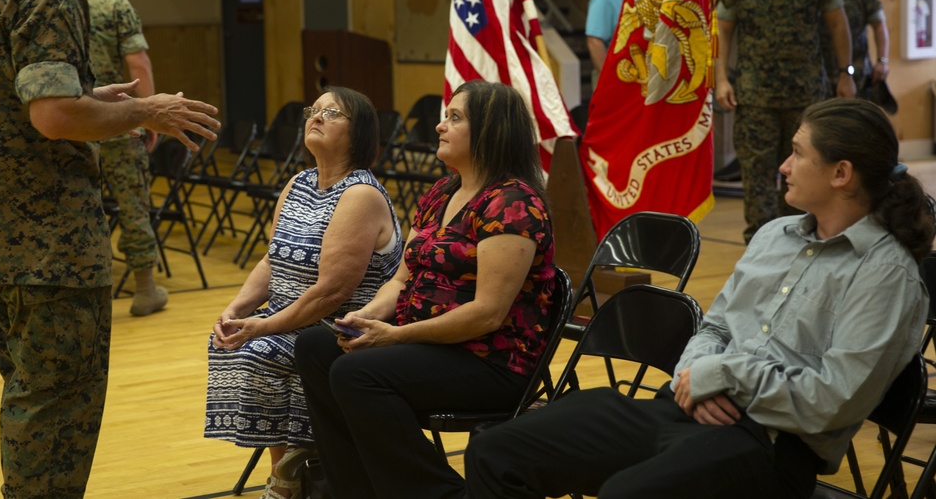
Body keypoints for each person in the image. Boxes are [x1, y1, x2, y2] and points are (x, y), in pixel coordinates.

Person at [464, 96, 934, 499]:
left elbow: (832, 399)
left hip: (770, 447)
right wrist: (696, 375)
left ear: (841, 173)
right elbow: (716, 327)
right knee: (496, 452)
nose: (783, 165)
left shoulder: (886, 276)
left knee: (626, 494)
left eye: (796, 153)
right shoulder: (776, 235)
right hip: (685, 406)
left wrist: (721, 374)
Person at [0, 0, 220, 498]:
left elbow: (19, 99)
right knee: (54, 432)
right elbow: (53, 115)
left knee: (28, 404)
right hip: (50, 254)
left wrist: (101, 99)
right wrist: (145, 110)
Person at [294, 80, 557, 499]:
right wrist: (369, 318)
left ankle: (440, 493)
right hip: (427, 345)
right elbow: (401, 279)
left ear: (491, 130)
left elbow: (487, 313)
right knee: (314, 347)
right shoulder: (442, 192)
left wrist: (394, 337)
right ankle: (354, 490)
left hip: (489, 360)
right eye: (444, 116)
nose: (439, 126)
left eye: (455, 118)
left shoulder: (514, 203)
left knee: (356, 373)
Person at [206, 87, 402, 499]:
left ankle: (290, 476)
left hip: (340, 325)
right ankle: (292, 467)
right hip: (290, 314)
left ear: (359, 133)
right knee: (229, 339)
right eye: (314, 110)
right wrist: (237, 308)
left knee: (260, 350)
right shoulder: (299, 182)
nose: (317, 116)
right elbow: (271, 258)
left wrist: (260, 326)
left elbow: (331, 294)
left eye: (332, 114)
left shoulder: (360, 194)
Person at [714, 0, 855, 244]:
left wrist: (845, 72)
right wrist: (720, 79)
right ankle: (760, 245)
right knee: (757, 174)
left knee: (805, 171)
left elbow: (838, 24)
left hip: (804, 94)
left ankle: (799, 241)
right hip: (755, 95)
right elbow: (722, 30)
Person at [69, 0, 165, 316]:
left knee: (73, 206)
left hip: (70, 124)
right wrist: (151, 116)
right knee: (133, 205)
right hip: (117, 122)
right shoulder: (114, 3)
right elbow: (138, 64)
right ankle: (145, 290)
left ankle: (79, 292)